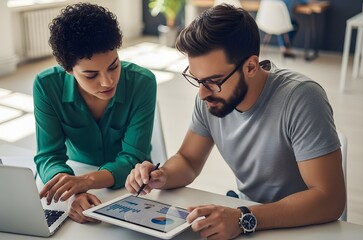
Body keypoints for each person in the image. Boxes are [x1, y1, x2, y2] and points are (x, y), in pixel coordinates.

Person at [125, 4, 345, 240]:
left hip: (302, 227)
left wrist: (243, 218)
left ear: (251, 66)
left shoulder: (301, 98)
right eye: (197, 79)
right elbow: (188, 161)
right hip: (249, 218)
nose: (201, 94)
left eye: (213, 81)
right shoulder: (210, 97)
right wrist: (162, 175)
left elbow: (329, 200)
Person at [33, 3, 157, 223]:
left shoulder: (143, 82)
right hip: (78, 172)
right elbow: (49, 155)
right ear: (68, 69)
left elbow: (133, 158)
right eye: (91, 75)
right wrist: (74, 190)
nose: (108, 82)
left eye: (113, 66)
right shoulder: (46, 86)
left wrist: (86, 182)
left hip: (132, 184)